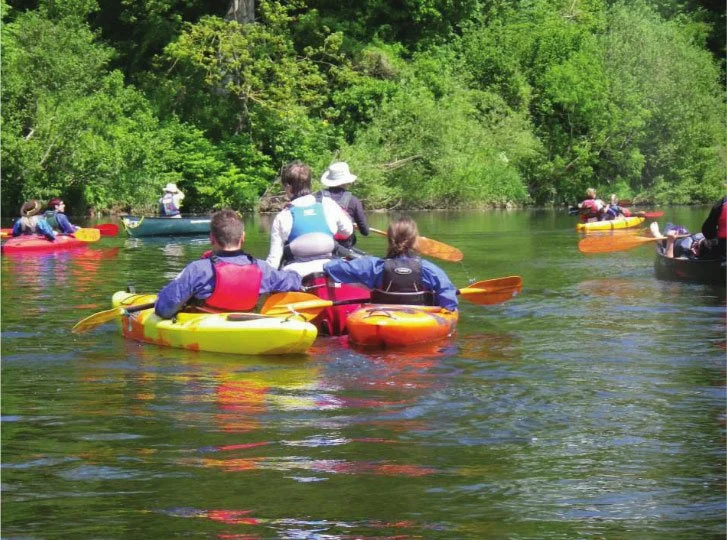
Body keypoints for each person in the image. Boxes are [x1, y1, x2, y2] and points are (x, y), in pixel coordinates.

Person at [154, 209, 303, 319]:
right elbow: (294, 282)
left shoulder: (198, 269)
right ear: (243, 237)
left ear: (212, 238)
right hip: (245, 326)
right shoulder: (262, 268)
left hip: (205, 329)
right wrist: (295, 273)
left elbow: (164, 309)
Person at [322, 217, 458, 311]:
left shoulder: (373, 266)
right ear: (415, 241)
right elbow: (447, 296)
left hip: (383, 317)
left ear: (389, 240)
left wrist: (341, 257)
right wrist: (448, 309)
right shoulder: (429, 269)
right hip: (420, 318)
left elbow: (330, 268)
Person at [266, 160, 354, 277]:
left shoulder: (283, 216)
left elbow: (274, 260)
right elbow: (348, 231)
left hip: (296, 273)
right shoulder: (328, 204)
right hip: (330, 268)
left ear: (288, 187)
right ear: (309, 183)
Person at [316, 162, 369, 248]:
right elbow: (365, 232)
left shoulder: (317, 197)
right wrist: (352, 224)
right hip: (344, 245)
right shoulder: (353, 201)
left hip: (322, 244)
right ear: (346, 182)